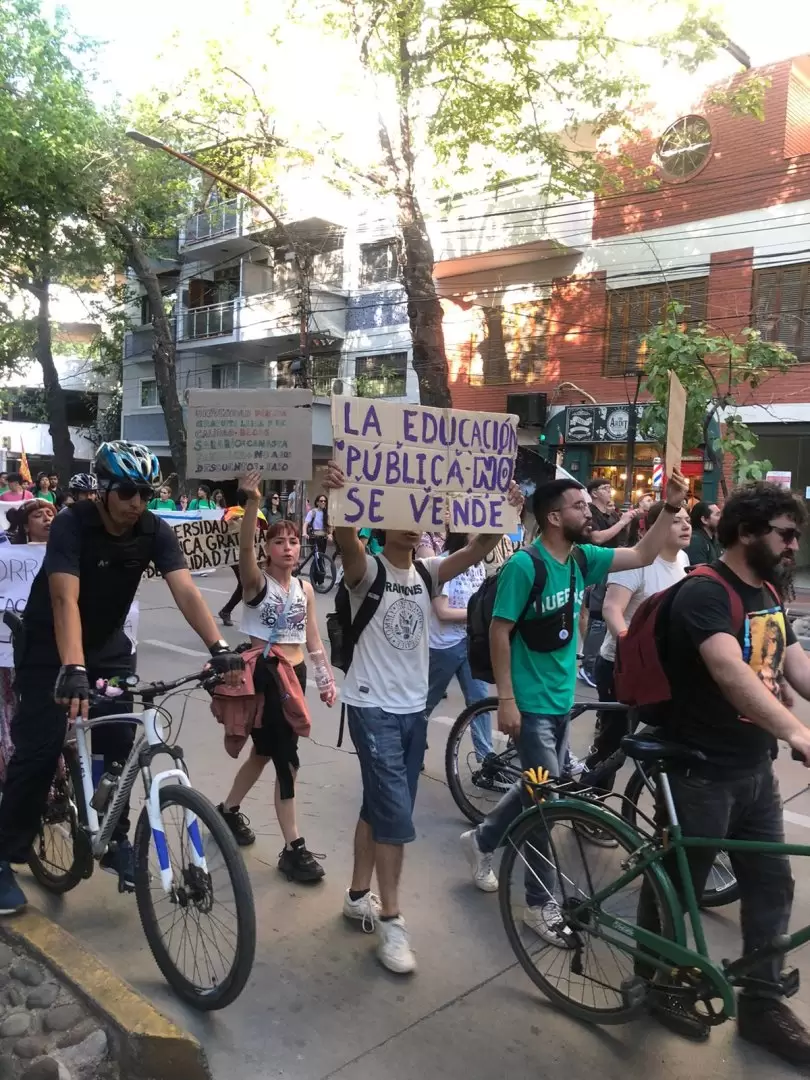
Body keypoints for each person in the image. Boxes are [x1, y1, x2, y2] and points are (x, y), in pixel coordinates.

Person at [0, 440, 245, 913]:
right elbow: (62, 601)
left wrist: (218, 648)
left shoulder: (151, 528)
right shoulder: (73, 524)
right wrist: (72, 667)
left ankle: (113, 838)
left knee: (121, 742)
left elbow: (187, 591)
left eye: (147, 493)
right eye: (129, 492)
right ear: (106, 490)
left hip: (109, 644)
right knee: (41, 746)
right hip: (50, 644)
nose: (138, 503)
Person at [459, 470, 688, 944]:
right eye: (580, 506)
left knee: (538, 789)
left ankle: (482, 840)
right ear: (553, 516)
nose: (589, 511)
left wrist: (668, 507)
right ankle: (539, 904)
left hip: (563, 702)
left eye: (588, 504)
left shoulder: (583, 558)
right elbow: (500, 631)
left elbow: (643, 553)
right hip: (531, 705)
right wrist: (506, 700)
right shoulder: (527, 566)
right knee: (547, 800)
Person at [326, 459, 524, 974]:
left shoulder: (425, 570)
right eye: (401, 513)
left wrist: (504, 511)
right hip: (372, 707)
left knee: (380, 806)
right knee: (395, 813)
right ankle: (392, 921)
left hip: (414, 708)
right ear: (382, 523)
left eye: (418, 512)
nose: (413, 522)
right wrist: (339, 497)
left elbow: (479, 548)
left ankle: (356, 896)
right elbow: (346, 538)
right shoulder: (365, 570)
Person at [635, 482, 810, 1063]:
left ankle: (761, 1005)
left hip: (753, 769)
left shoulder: (767, 590)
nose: (794, 545)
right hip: (699, 771)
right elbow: (729, 670)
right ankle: (658, 983)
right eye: (786, 534)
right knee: (675, 889)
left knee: (772, 885)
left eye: (796, 536)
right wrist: (795, 730)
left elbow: (790, 659)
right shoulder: (704, 593)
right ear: (745, 532)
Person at [217, 471, 336, 882]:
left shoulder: (305, 588)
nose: (288, 547)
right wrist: (253, 503)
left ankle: (227, 811)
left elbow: (314, 637)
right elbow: (244, 546)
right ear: (267, 549)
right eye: (279, 541)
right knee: (287, 761)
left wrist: (324, 678)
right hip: (266, 678)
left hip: (296, 674)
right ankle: (293, 847)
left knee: (265, 753)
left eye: (294, 541)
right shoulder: (256, 583)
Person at [582, 501, 691, 793]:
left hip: (660, 669)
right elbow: (611, 609)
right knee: (612, 741)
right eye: (677, 520)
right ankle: (591, 803)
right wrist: (631, 645)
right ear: (656, 527)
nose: (686, 526)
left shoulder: (682, 560)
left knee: (663, 736)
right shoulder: (635, 563)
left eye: (687, 520)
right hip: (622, 665)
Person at [0, 500, 57, 781]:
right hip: (11, 653)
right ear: (25, 525)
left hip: (53, 650)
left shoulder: (70, 554)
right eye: (38, 515)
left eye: (51, 514)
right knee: (13, 712)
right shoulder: (6, 556)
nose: (47, 519)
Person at [425, 532, 491, 760]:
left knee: (480, 703)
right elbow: (442, 612)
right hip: (443, 646)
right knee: (425, 703)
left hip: (472, 644)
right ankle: (411, 747)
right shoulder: (443, 564)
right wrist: (477, 615)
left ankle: (486, 760)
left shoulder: (478, 566)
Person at [578, 479, 641, 687]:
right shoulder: (590, 514)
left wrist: (628, 521)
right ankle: (588, 665)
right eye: (605, 488)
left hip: (612, 565)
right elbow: (597, 538)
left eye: (609, 488)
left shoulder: (612, 514)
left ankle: (595, 659)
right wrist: (622, 522)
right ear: (594, 493)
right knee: (596, 616)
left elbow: (621, 539)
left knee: (600, 618)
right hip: (596, 566)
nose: (609, 492)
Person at [218, 495, 267, 627]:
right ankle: (229, 612)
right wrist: (231, 522)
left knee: (252, 584)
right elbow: (220, 530)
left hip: (253, 554)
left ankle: (228, 611)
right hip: (235, 554)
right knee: (245, 583)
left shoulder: (259, 514)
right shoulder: (232, 513)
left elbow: (263, 533)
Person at [304, 494, 329, 585]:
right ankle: (316, 580)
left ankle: (319, 580)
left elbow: (330, 526)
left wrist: (330, 534)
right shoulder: (313, 512)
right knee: (317, 558)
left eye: (324, 501)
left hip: (323, 538)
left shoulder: (326, 513)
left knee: (321, 558)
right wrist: (304, 533)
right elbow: (306, 523)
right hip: (314, 538)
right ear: (317, 502)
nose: (323, 502)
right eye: (321, 501)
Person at [687, 500, 722, 565]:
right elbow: (699, 572)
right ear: (704, 520)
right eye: (717, 515)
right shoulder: (695, 541)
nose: (721, 518)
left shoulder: (714, 540)